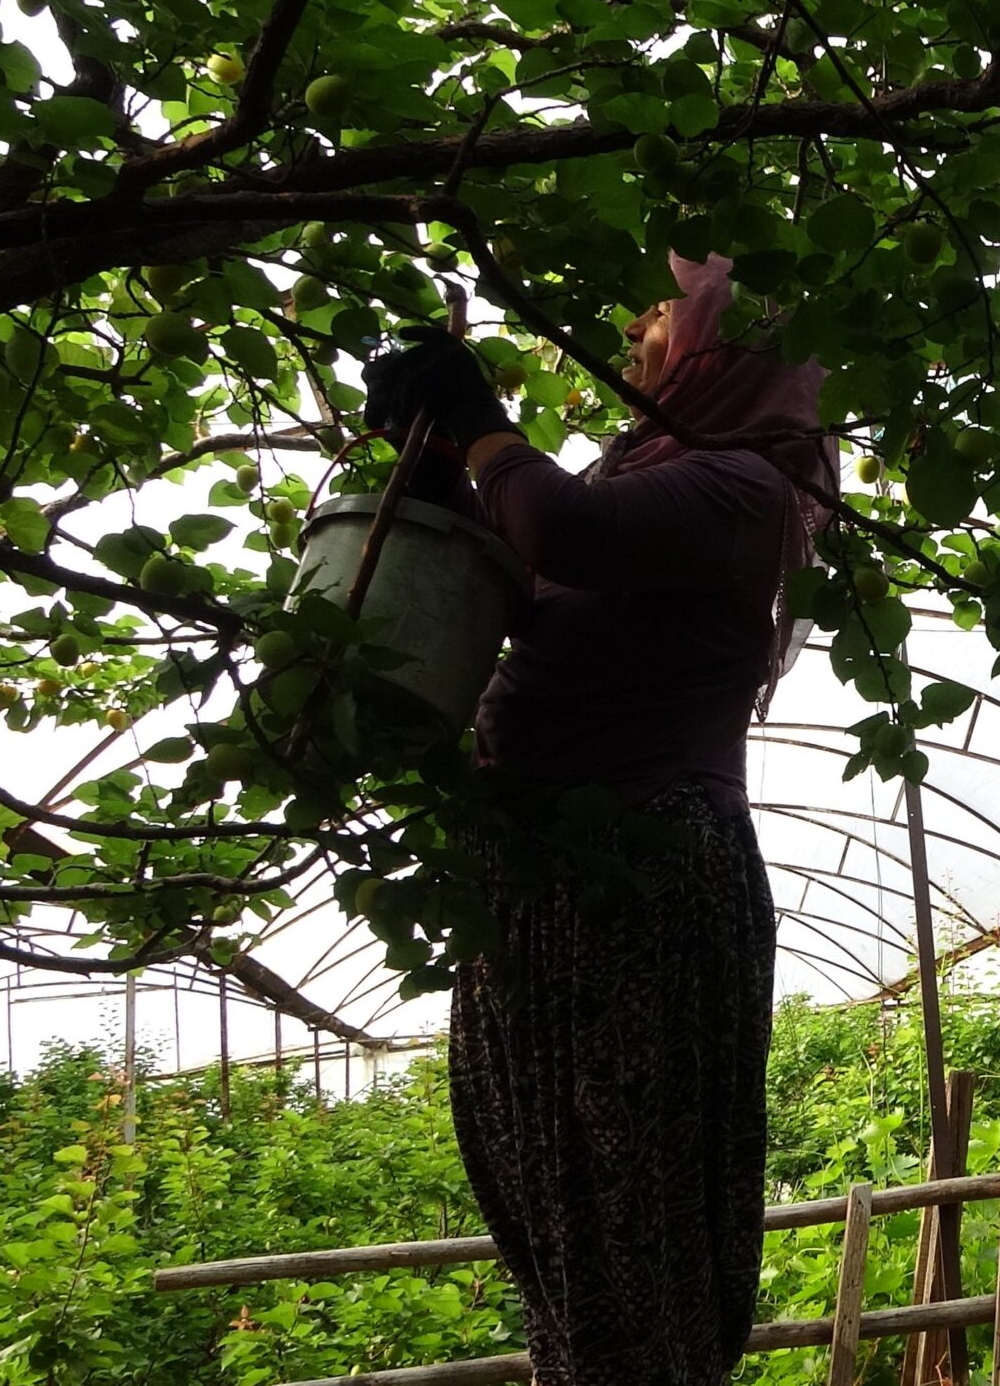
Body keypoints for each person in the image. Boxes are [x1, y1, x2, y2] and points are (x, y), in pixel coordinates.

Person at [361, 252, 835, 1385]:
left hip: (639, 886)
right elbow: (514, 563)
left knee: (626, 1210)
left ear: (722, 344)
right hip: (544, 890)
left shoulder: (741, 490)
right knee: (546, 1192)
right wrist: (436, 467)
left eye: (665, 312)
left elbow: (562, 530)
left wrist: (482, 425)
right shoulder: (651, 474)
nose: (637, 328)